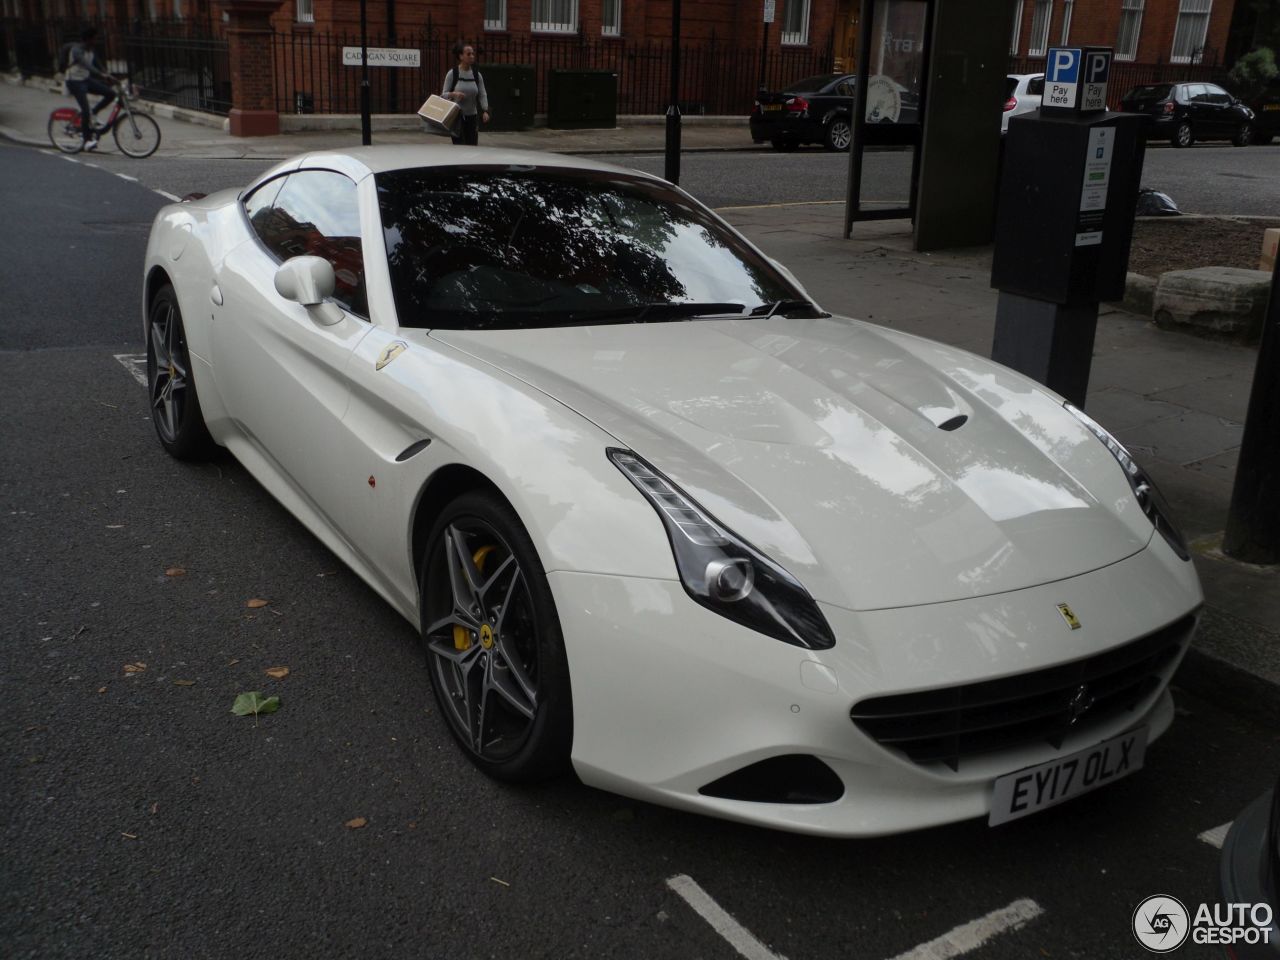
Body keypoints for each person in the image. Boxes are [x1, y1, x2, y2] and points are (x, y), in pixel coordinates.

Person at [64, 27, 117, 152]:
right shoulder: (77, 50)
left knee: (111, 93)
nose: (96, 40)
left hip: (85, 80)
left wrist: (108, 75)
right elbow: (86, 64)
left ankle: (94, 113)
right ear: (88, 39)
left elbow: (98, 64)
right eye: (95, 38)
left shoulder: (91, 50)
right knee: (85, 110)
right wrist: (100, 75)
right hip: (74, 81)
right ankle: (86, 141)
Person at [441, 43, 490, 146]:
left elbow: (482, 93)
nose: (472, 56)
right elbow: (443, 95)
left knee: (472, 146)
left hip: (472, 117)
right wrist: (454, 94)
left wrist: (485, 110)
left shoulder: (477, 75)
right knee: (459, 147)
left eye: (473, 54)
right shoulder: (453, 73)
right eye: (468, 54)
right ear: (461, 56)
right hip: (456, 117)